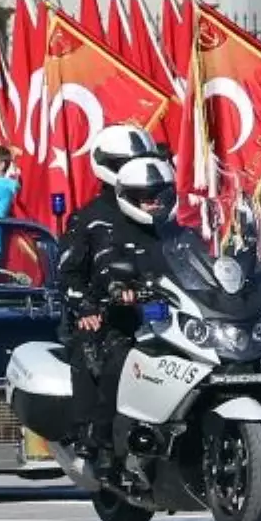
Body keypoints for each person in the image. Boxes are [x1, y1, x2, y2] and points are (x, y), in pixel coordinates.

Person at [57, 123, 158, 466]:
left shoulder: (161, 212)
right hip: (108, 313)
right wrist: (85, 303)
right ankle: (95, 436)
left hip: (159, 312)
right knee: (107, 351)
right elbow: (67, 271)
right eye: (125, 163)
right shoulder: (90, 218)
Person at [85, 156, 178, 473]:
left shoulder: (181, 233)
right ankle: (103, 443)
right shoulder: (114, 233)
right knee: (121, 361)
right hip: (129, 323)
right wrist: (118, 286)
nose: (152, 203)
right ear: (127, 197)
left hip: (177, 323)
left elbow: (207, 264)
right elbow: (105, 268)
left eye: (158, 195)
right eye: (144, 196)